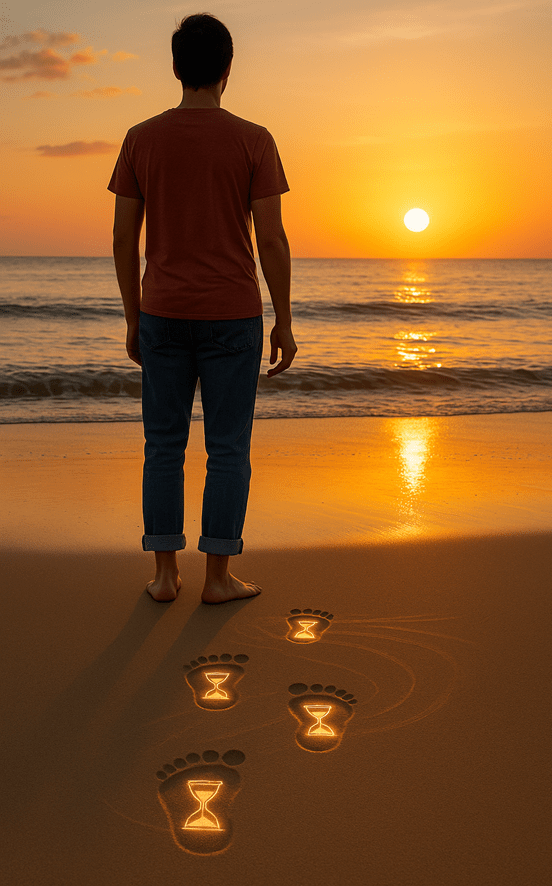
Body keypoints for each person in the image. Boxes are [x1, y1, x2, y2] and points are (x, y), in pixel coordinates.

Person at [108, 13, 296, 605]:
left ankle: (165, 575)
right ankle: (217, 578)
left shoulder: (141, 138)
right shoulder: (254, 139)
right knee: (228, 449)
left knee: (163, 445)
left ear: (175, 68)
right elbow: (272, 238)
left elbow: (123, 237)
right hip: (232, 315)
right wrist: (284, 319)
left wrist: (135, 316)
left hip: (163, 310)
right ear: (227, 69)